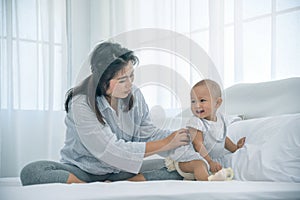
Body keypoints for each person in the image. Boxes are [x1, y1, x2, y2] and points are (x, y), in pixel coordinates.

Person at [20, 41, 192, 186]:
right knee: (32, 172)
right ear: (102, 80)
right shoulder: (81, 103)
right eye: (122, 80)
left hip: (121, 171)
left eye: (132, 76)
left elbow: (145, 133)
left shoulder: (134, 95)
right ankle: (88, 187)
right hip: (83, 171)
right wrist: (166, 143)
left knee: (180, 167)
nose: (130, 84)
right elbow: (111, 151)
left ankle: (128, 182)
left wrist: (180, 137)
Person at [164, 79, 246, 181]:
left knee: (212, 167)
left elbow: (222, 138)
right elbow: (198, 145)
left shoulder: (220, 119)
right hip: (188, 161)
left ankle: (208, 177)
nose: (197, 105)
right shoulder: (196, 122)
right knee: (199, 164)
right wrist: (210, 162)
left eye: (202, 100)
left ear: (217, 103)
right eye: (193, 101)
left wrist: (235, 148)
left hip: (207, 162)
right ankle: (208, 184)